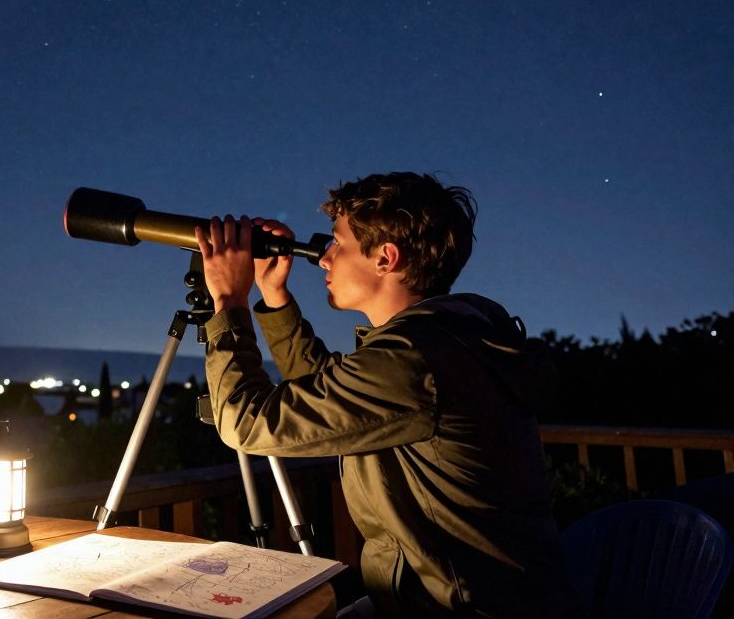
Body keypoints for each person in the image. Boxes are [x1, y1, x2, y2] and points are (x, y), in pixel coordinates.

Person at [193, 172, 580, 618]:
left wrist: (228, 300)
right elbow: (332, 395)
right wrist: (274, 297)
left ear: (385, 258)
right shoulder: (445, 342)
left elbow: (245, 421)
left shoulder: (414, 361)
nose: (324, 259)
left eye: (338, 244)